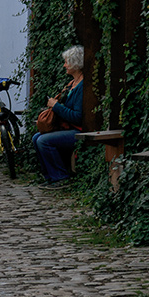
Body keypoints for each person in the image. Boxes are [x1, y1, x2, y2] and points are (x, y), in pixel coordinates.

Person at [32, 44, 84, 189]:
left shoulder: (81, 86)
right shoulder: (72, 83)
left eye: (67, 62)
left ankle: (61, 177)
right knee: (36, 138)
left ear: (75, 63)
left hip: (77, 130)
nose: (64, 65)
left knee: (44, 140)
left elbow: (77, 117)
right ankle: (50, 176)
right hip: (68, 127)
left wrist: (56, 106)